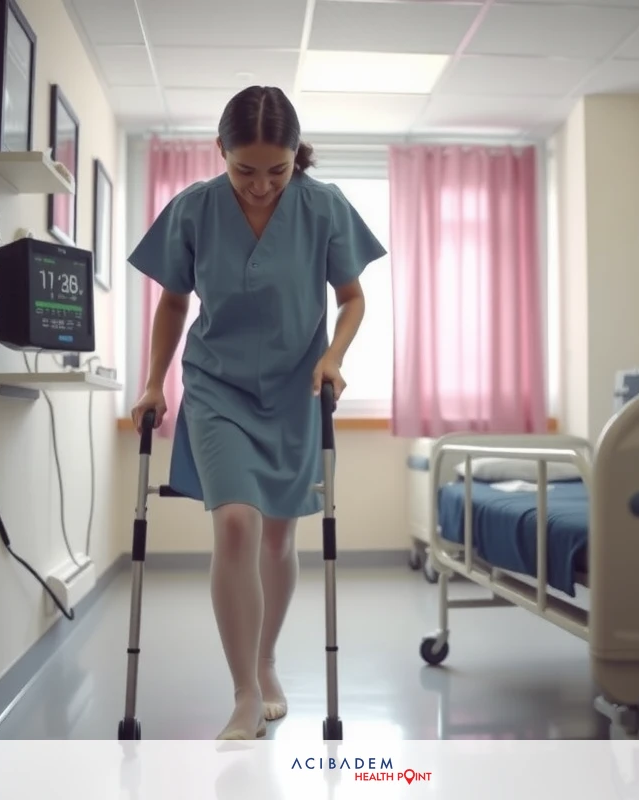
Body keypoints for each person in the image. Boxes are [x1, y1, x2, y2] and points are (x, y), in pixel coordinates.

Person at [126, 85, 387, 740]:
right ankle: (244, 691)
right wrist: (153, 382)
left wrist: (333, 355)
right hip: (216, 385)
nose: (263, 185)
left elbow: (352, 299)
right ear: (220, 151)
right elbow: (173, 304)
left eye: (279, 170)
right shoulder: (192, 210)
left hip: (297, 388)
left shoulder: (324, 206)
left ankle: (267, 658)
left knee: (278, 534)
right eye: (245, 170)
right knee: (237, 526)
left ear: (298, 157)